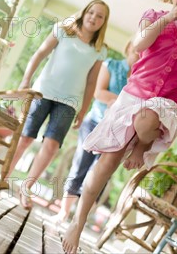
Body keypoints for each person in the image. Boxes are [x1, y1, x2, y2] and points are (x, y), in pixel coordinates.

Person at [62, 0, 177, 254]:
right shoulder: (153, 16)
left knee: (147, 120)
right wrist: (170, 17)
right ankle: (78, 220)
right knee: (106, 163)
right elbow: (139, 44)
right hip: (134, 94)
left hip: (168, 102)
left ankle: (140, 146)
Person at [6, 0, 110, 210]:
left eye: (100, 16)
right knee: (25, 137)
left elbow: (91, 82)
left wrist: (83, 109)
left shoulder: (100, 50)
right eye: (92, 12)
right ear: (84, 12)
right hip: (42, 92)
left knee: (51, 146)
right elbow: (40, 54)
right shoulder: (63, 30)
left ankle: (26, 189)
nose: (94, 18)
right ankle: (4, 176)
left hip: (69, 103)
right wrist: (26, 80)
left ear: (103, 23)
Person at [52, 41, 139, 224]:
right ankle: (64, 213)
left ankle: (79, 219)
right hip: (94, 124)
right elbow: (99, 92)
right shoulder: (110, 65)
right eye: (139, 48)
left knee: (99, 174)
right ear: (129, 46)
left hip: (117, 133)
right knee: (80, 166)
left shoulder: (140, 78)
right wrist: (122, 101)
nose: (141, 53)